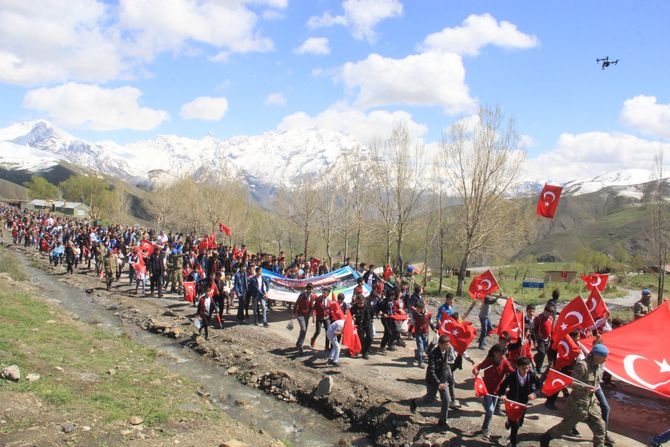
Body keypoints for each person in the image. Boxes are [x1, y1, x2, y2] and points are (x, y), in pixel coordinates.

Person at [540, 344, 610, 447]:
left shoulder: (598, 367)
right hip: (578, 404)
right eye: (604, 357)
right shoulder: (582, 366)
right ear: (597, 356)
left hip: (592, 403)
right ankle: (546, 437)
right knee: (565, 427)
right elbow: (570, 382)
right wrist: (584, 387)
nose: (606, 359)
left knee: (600, 428)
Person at [409, 334, 454, 431]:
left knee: (447, 400)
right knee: (429, 400)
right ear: (440, 344)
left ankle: (442, 422)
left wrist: (449, 377)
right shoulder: (433, 354)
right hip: (433, 381)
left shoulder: (447, 350)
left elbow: (447, 364)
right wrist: (438, 383)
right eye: (446, 345)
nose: (447, 346)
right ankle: (414, 402)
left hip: (443, 380)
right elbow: (431, 371)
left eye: (448, 344)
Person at [497, 356, 542, 447]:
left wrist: (535, 394)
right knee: (516, 425)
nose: (525, 370)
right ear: (518, 367)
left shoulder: (531, 375)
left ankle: (509, 422)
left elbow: (540, 386)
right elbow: (502, 386)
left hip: (523, 403)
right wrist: (503, 394)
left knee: (520, 422)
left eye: (527, 368)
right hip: (512, 402)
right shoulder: (512, 376)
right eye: (523, 368)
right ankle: (512, 443)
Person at [473, 344, 515, 440]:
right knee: (491, 410)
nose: (502, 356)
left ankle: (484, 427)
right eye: (500, 354)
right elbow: (478, 367)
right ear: (495, 353)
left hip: (497, 391)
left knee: (490, 411)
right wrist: (475, 370)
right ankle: (486, 429)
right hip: (486, 390)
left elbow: (512, 372)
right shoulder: (489, 361)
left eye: (504, 354)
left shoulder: (505, 362)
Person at [410, 301, 434, 368]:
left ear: (422, 308)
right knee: (421, 348)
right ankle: (420, 362)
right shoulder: (415, 314)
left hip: (425, 333)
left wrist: (434, 328)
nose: (416, 309)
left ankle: (417, 353)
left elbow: (430, 322)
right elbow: (412, 323)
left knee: (426, 348)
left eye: (417, 308)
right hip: (418, 333)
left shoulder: (428, 314)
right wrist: (410, 331)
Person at [533, 303, 555, 373]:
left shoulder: (551, 319)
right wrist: (536, 338)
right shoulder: (539, 318)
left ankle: (535, 358)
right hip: (540, 339)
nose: (549, 314)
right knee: (542, 353)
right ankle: (538, 367)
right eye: (548, 312)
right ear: (545, 311)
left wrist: (552, 337)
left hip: (547, 339)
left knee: (544, 353)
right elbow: (534, 328)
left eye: (551, 313)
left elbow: (551, 329)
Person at [351, 293, 374, 359]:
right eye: (359, 303)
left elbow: (372, 313)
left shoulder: (368, 305)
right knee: (361, 339)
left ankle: (365, 350)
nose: (360, 305)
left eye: (362, 303)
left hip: (368, 323)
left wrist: (371, 320)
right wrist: (353, 318)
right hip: (359, 324)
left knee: (370, 337)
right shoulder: (354, 307)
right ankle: (364, 352)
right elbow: (350, 315)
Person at [293, 284, 315, 353]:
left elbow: (318, 300)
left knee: (304, 330)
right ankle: (300, 345)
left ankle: (299, 343)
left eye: (311, 289)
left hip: (307, 315)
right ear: (307, 289)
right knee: (303, 329)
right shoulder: (302, 295)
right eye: (309, 289)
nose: (310, 290)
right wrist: (294, 312)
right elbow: (297, 303)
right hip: (300, 314)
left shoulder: (313, 296)